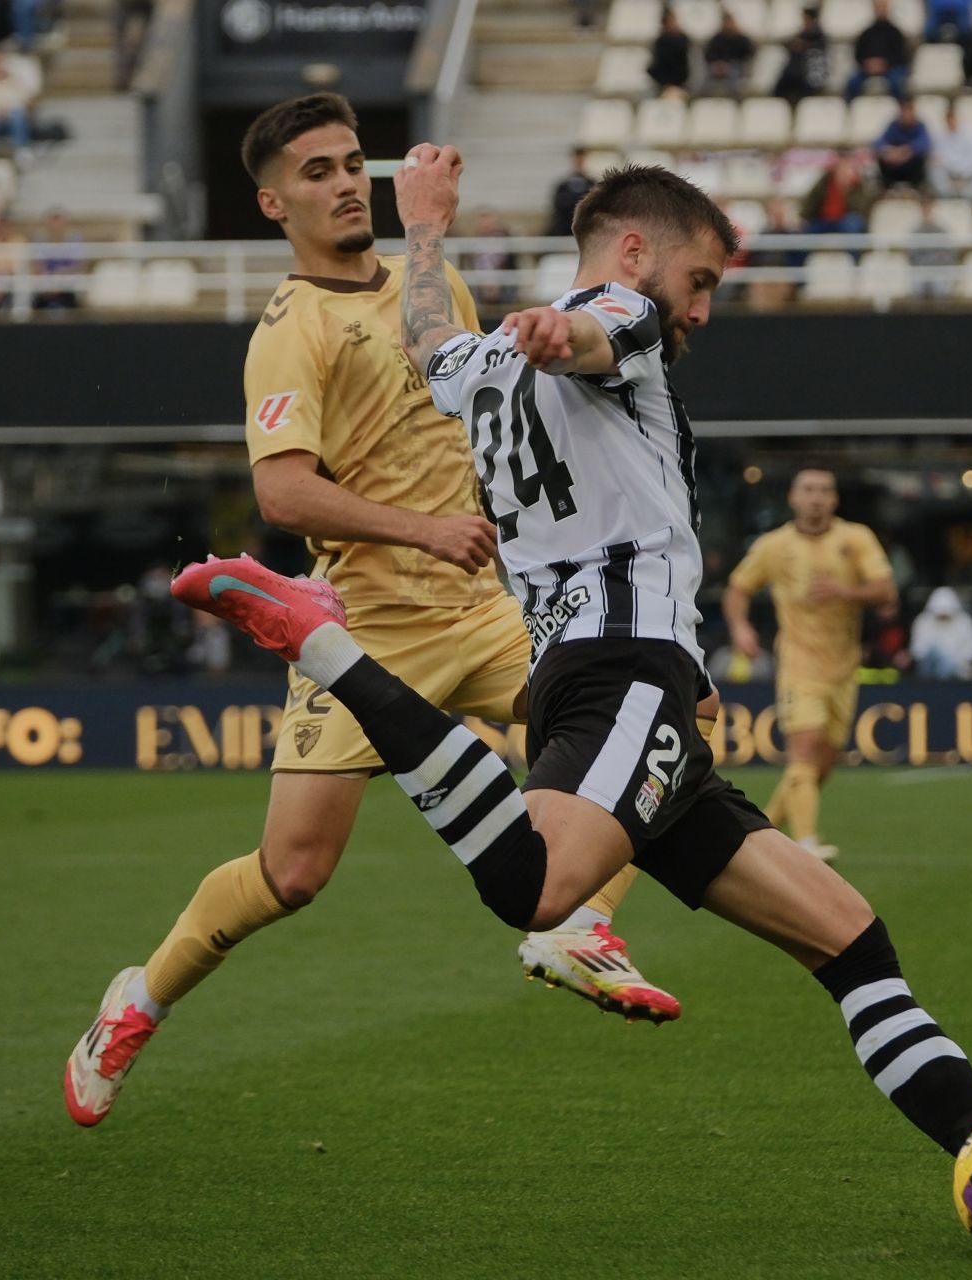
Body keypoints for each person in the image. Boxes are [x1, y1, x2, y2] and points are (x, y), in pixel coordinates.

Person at [173, 158, 972, 1241]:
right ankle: (322, 637)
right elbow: (598, 333)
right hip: (623, 662)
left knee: (850, 938)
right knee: (536, 891)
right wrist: (559, 332)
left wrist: (426, 232)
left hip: (617, 673)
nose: (704, 309)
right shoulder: (618, 311)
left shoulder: (479, 357)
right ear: (635, 251)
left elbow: (429, 345)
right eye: (702, 278)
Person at [61, 94, 680, 1131]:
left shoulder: (432, 285)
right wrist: (421, 526)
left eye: (354, 163)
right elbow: (283, 493)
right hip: (365, 630)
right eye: (317, 172)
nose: (347, 183)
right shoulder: (289, 329)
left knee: (651, 728)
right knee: (294, 872)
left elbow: (491, 409)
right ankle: (137, 999)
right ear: (273, 203)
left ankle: (575, 927)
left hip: (487, 611)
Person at [724, 469, 898, 863]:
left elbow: (886, 590)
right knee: (803, 751)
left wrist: (845, 592)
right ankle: (806, 845)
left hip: (843, 665)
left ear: (834, 500)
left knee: (823, 762)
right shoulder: (774, 546)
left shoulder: (855, 538)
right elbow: (738, 588)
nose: (816, 498)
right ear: (793, 498)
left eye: (824, 490)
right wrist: (740, 627)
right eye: (808, 490)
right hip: (798, 664)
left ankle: (761, 830)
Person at [911, 586, 972, 678]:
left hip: (957, 669)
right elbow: (917, 648)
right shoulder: (922, 621)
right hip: (928, 670)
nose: (943, 617)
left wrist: (956, 661)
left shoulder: (965, 621)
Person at [846, 0, 910, 100]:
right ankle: (850, 108)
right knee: (852, 82)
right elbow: (858, 54)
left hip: (891, 68)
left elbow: (901, 56)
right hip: (868, 69)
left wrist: (885, 64)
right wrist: (867, 64)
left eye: (883, 7)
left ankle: (901, 108)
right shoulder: (866, 33)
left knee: (897, 82)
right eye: (878, 7)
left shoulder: (896, 33)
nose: (881, 10)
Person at [929, 103, 972, 201]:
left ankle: (968, 197)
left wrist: (964, 177)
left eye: (953, 117)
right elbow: (937, 159)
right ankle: (947, 196)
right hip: (950, 177)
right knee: (933, 168)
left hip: (970, 175)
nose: (951, 121)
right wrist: (954, 179)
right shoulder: (938, 136)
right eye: (949, 118)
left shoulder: (971, 133)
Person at [801, 153, 875, 234]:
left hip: (844, 221)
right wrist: (804, 216)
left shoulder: (857, 186)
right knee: (809, 228)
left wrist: (847, 190)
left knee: (853, 223)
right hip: (824, 220)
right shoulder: (825, 181)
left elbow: (860, 210)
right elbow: (812, 200)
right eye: (841, 168)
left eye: (847, 168)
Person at [873, 97, 931, 189]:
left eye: (909, 112)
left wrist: (908, 150)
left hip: (911, 165)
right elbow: (879, 142)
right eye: (904, 112)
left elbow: (925, 143)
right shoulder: (893, 126)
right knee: (882, 160)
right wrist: (888, 150)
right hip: (894, 163)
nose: (906, 115)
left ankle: (916, 189)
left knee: (920, 160)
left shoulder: (920, 126)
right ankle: (886, 189)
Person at [774, 9, 831, 102]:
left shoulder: (819, 36)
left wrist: (804, 46)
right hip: (796, 73)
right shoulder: (801, 34)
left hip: (811, 73)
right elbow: (787, 43)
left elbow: (818, 50)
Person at [33, 207, 84, 309]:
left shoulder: (75, 240)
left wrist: (60, 280)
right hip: (46, 284)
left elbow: (79, 265)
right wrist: (49, 282)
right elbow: (37, 265)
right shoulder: (40, 240)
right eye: (53, 223)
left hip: (67, 282)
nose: (56, 226)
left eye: (58, 223)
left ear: (64, 224)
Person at [703, 10, 756, 97]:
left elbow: (748, 56)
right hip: (718, 67)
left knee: (734, 74)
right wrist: (719, 64)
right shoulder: (717, 39)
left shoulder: (742, 39)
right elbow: (709, 55)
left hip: (736, 67)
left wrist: (729, 65)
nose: (728, 25)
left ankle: (735, 96)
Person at [547, 148, 594, 237]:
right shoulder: (563, 186)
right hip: (564, 227)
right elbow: (558, 208)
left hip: (586, 226)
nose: (579, 162)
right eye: (577, 159)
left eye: (581, 159)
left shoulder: (592, 184)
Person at [648, 7, 692, 98]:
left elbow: (692, 67)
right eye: (670, 22)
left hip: (684, 85)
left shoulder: (685, 41)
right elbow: (655, 68)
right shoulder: (659, 43)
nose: (674, 24)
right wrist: (665, 85)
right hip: (663, 87)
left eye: (674, 21)